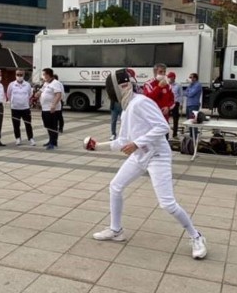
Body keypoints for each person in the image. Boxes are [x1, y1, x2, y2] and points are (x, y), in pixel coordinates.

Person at [88, 69, 207, 259]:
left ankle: (197, 236)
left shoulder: (141, 102)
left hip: (157, 156)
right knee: (115, 186)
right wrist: (97, 146)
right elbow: (122, 141)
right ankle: (116, 230)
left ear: (122, 87)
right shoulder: (128, 109)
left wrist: (136, 143)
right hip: (139, 156)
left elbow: (163, 126)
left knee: (167, 203)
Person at [7, 69, 35, 146]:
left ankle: (31, 138)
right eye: (18, 74)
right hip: (15, 108)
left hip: (25, 108)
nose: (19, 76)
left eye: (21, 75)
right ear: (15, 75)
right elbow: (9, 95)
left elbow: (30, 94)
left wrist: (24, 101)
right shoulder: (11, 84)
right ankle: (18, 138)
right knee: (16, 124)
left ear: (24, 75)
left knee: (28, 124)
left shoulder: (27, 85)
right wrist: (13, 102)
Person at [39, 68, 63, 150]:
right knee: (48, 125)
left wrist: (53, 105)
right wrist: (37, 94)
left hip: (52, 109)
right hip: (44, 109)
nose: (43, 76)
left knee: (53, 126)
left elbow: (58, 95)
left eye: (44, 74)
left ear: (48, 75)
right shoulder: (46, 83)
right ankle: (50, 140)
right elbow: (41, 91)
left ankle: (53, 142)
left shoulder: (55, 83)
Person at [167, 72, 182, 138]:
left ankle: (175, 134)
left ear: (173, 77)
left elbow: (181, 95)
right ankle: (166, 133)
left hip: (175, 103)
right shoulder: (167, 85)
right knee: (166, 118)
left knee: (175, 119)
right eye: (168, 77)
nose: (169, 78)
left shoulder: (178, 85)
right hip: (168, 103)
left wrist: (181, 104)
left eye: (170, 77)